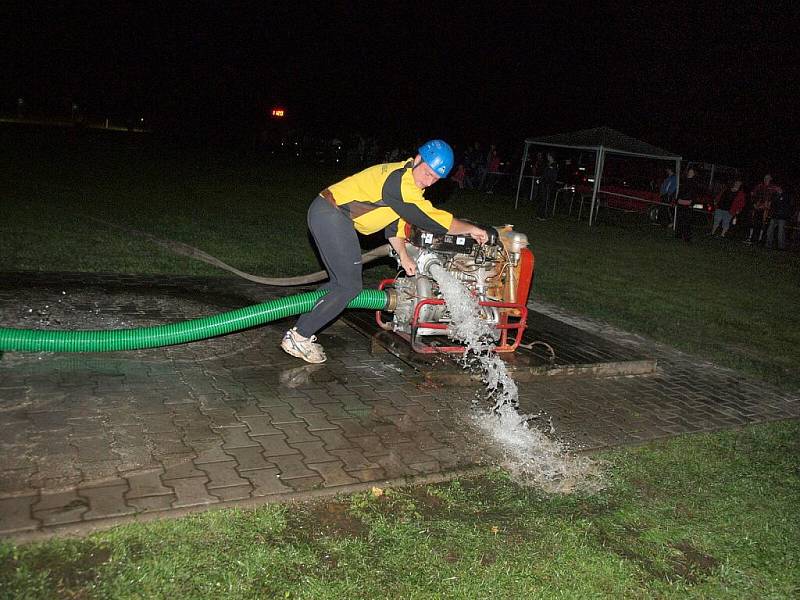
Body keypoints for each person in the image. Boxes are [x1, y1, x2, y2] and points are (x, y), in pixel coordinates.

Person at [281, 139, 489, 364]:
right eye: (427, 173)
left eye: (435, 179)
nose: (428, 182)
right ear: (418, 159)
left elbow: (394, 229)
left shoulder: (406, 185)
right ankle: (299, 337)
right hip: (332, 215)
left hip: (329, 214)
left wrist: (404, 256)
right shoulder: (399, 181)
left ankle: (301, 331)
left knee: (338, 284)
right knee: (350, 286)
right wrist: (471, 229)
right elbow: (432, 220)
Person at [745, 174, 779, 245]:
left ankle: (760, 239)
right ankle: (750, 237)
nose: (766, 179)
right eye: (765, 178)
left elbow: (777, 197)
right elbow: (753, 195)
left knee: (763, 224)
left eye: (768, 178)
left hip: (766, 209)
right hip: (757, 207)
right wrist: (754, 203)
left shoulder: (773, 188)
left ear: (770, 179)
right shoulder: (759, 186)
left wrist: (769, 203)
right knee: (753, 222)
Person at [675, 167, 700, 242]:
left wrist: (691, 202)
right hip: (681, 202)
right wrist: (677, 199)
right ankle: (678, 234)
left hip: (688, 203)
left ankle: (687, 237)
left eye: (692, 172)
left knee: (687, 221)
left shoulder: (694, 183)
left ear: (694, 174)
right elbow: (680, 191)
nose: (690, 173)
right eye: (689, 171)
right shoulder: (684, 181)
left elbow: (694, 194)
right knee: (680, 219)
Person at [765, 186, 791, 250]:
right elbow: (772, 204)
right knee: (770, 230)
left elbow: (786, 205)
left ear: (780, 188)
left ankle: (781, 246)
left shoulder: (786, 195)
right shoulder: (775, 195)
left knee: (781, 232)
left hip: (782, 216)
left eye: (777, 188)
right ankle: (768, 244)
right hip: (774, 216)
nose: (776, 189)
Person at [537, 153, 558, 220]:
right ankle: (540, 214)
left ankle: (545, 215)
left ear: (551, 157)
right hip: (543, 184)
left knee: (546, 200)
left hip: (548, 185)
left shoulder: (554, 165)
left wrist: (549, 181)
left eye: (549, 156)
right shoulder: (547, 164)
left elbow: (553, 176)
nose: (547, 157)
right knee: (542, 199)